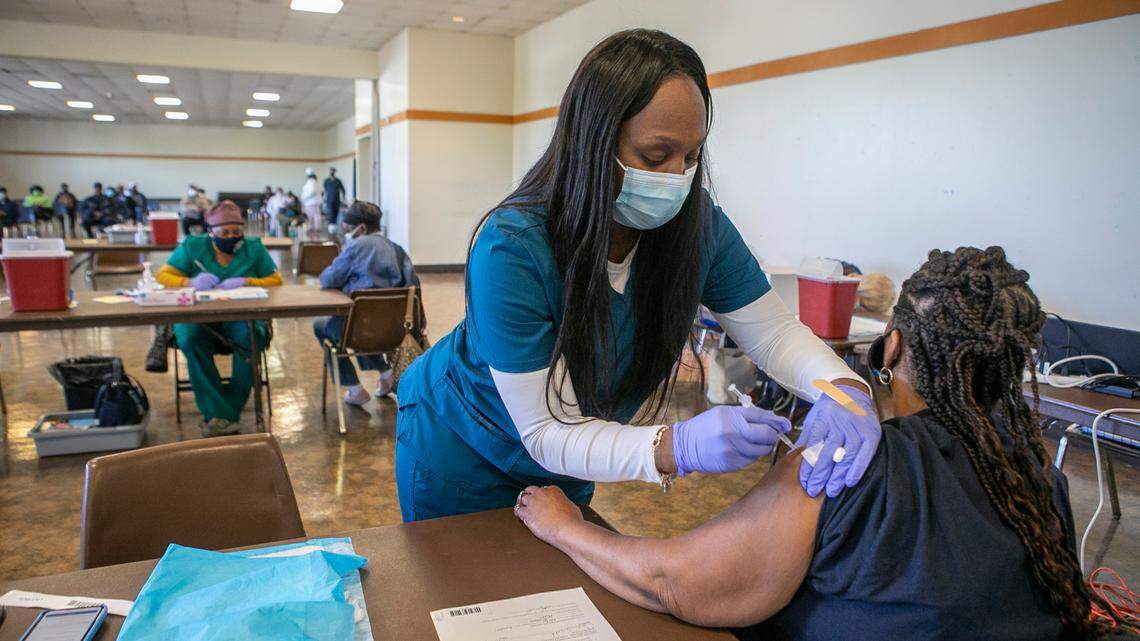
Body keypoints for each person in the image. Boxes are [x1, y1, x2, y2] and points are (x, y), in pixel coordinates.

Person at [515, 246, 1127, 641]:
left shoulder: (844, 462)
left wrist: (566, 526)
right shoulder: (1032, 475)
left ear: (890, 349)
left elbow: (672, 584)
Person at [393, 29, 881, 523]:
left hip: (575, 454)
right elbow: (545, 431)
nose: (676, 177)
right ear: (592, 144)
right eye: (654, 157)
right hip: (463, 451)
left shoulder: (698, 226)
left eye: (691, 157)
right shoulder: (514, 245)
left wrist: (846, 390)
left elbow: (773, 333)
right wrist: (678, 446)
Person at [155, 201, 283, 437]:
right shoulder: (194, 247)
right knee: (190, 338)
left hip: (243, 316)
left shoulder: (253, 248)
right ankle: (223, 413)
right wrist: (189, 282)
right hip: (200, 317)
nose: (231, 237)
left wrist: (248, 281)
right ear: (210, 231)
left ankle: (220, 415)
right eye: (224, 233)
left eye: (236, 232)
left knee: (252, 337)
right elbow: (163, 275)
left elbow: (275, 280)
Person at [314, 201, 420, 405]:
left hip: (359, 329)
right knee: (362, 325)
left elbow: (329, 279)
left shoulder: (357, 246)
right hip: (394, 330)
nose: (346, 233)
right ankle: (387, 374)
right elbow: (413, 287)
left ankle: (354, 389)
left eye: (347, 228)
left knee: (323, 326)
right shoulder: (397, 249)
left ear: (361, 228)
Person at [322, 167, 346, 234]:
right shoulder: (326, 181)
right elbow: (324, 190)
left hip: (337, 200)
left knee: (335, 213)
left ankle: (334, 227)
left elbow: (343, 190)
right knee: (330, 213)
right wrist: (323, 198)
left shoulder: (338, 181)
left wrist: (344, 198)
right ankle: (330, 227)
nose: (332, 172)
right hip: (329, 200)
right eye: (331, 171)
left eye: (333, 171)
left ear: (335, 172)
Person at [301, 168, 321, 233]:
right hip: (311, 202)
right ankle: (313, 228)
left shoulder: (311, 182)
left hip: (310, 202)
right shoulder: (314, 182)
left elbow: (312, 192)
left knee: (312, 216)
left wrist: (304, 199)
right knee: (313, 216)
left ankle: (313, 228)